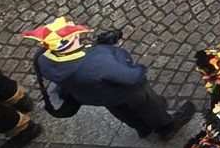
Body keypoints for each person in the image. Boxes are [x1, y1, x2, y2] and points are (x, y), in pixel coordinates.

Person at [26, 16, 194, 139]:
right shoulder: (97, 62)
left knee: (120, 111)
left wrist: (97, 46)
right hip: (127, 92)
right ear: (75, 36)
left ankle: (142, 128)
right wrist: (140, 69)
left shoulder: (42, 58)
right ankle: (166, 127)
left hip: (98, 96)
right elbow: (130, 77)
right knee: (150, 104)